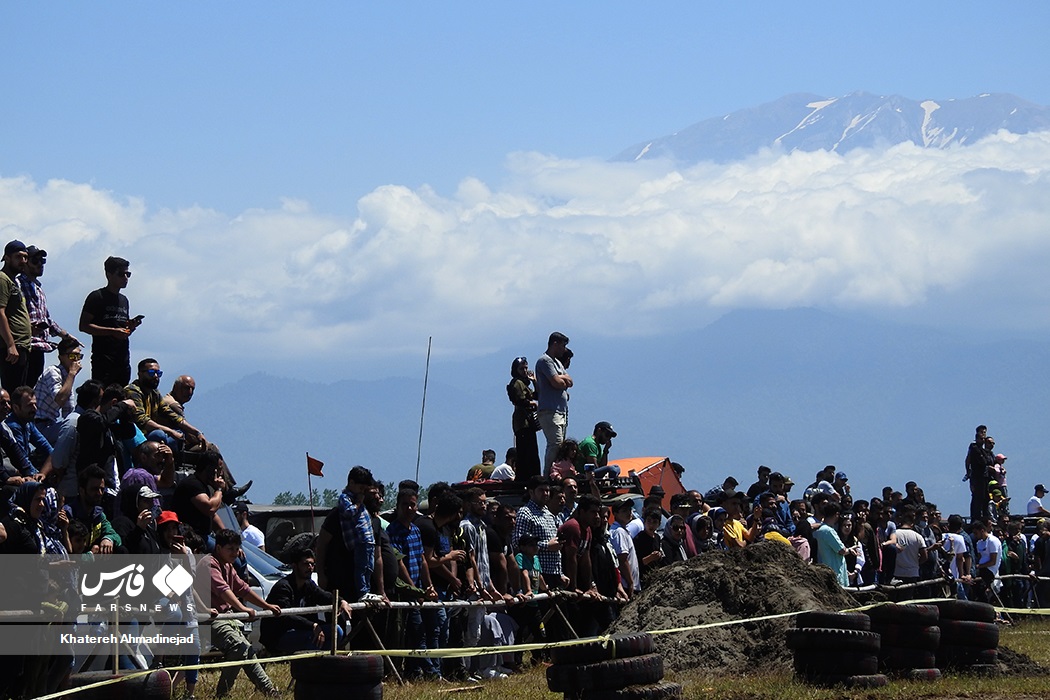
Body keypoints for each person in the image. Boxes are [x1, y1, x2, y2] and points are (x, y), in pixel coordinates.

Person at [196, 528, 282, 697]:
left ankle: (269, 690)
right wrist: (242, 608)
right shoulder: (209, 563)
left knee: (246, 650)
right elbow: (223, 590)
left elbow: (243, 588)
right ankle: (222, 694)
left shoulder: (228, 566)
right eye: (230, 549)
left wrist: (266, 605)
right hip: (207, 618)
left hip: (226, 617)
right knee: (238, 647)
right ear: (219, 548)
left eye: (237, 549)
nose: (235, 553)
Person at [261, 547, 351, 653]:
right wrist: (313, 625)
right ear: (295, 566)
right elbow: (286, 617)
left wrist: (341, 601)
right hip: (280, 633)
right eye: (306, 564)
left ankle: (321, 662)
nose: (310, 567)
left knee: (337, 631)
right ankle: (308, 665)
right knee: (313, 637)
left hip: (302, 628)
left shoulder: (308, 584)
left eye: (312, 564)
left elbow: (324, 596)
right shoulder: (283, 587)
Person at [17, 246, 78, 387]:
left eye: (42, 261)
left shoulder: (39, 289)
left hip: (40, 346)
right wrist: (27, 328)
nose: (40, 264)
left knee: (33, 388)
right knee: (21, 389)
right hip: (25, 345)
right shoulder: (17, 284)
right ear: (25, 262)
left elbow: (47, 320)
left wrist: (66, 336)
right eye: (35, 260)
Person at [79, 256, 142, 387]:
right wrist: (112, 332)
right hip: (103, 359)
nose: (125, 278)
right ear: (109, 275)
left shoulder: (124, 300)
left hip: (123, 359)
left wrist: (130, 327)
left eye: (128, 274)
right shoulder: (96, 297)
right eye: (121, 274)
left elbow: (121, 328)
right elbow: (84, 326)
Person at [534, 332, 572, 473]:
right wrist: (561, 380)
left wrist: (562, 379)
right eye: (562, 345)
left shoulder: (557, 363)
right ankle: (548, 475)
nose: (564, 349)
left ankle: (556, 472)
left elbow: (569, 380)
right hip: (550, 410)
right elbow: (556, 383)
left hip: (561, 410)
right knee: (554, 444)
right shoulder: (545, 361)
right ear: (555, 343)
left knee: (560, 446)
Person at [32, 337, 82, 445]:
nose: (76, 360)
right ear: (61, 357)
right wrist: (72, 374)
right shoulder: (53, 372)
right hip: (38, 426)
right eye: (72, 356)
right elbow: (60, 399)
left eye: (79, 356)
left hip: (51, 424)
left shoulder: (68, 380)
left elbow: (69, 413)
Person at [0, 240, 32, 393]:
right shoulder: (2, 278)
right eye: (19, 257)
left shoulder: (15, 282)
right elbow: (0, 313)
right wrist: (10, 345)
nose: (23, 261)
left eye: (25, 257)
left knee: (21, 392)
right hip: (12, 347)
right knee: (14, 393)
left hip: (23, 346)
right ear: (7, 258)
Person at [506, 357, 540, 482]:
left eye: (526, 368)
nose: (525, 371)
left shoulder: (524, 383)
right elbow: (520, 400)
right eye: (522, 368)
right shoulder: (517, 383)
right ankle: (526, 478)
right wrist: (531, 404)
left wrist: (535, 381)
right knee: (526, 452)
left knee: (532, 451)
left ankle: (532, 477)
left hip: (528, 423)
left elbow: (537, 395)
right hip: (522, 422)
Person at [812, 502, 852, 587]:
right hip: (835, 573)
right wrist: (851, 550)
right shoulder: (829, 531)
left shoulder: (818, 530)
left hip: (825, 571)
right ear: (837, 514)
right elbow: (842, 550)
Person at [609, 499, 640, 597]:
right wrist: (630, 582)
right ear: (615, 514)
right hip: (626, 585)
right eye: (624, 511)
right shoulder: (619, 532)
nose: (629, 513)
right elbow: (622, 559)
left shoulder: (623, 530)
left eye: (629, 510)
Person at [965, 425, 994, 524]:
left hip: (985, 477)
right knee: (977, 498)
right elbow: (968, 460)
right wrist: (968, 473)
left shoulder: (985, 451)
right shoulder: (973, 447)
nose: (983, 437)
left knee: (986, 498)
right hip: (977, 477)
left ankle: (985, 518)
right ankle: (975, 519)